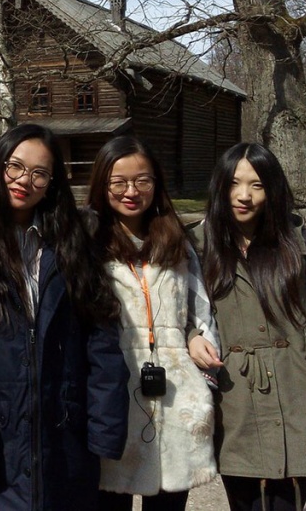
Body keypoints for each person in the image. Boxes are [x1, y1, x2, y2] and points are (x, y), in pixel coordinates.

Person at [0, 123, 129, 511]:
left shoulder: (73, 237)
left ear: (52, 182)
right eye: (15, 166)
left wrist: (104, 429)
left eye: (39, 173)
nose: (23, 181)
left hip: (63, 431)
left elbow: (102, 334)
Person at [192, 142, 306, 511]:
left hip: (300, 400)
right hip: (232, 405)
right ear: (220, 186)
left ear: (273, 190)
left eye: (257, 185)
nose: (244, 196)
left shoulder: (302, 245)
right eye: (234, 183)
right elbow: (174, 312)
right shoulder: (198, 246)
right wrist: (191, 336)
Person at [86, 136, 217, 510]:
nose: (132, 191)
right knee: (110, 499)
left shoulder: (177, 240)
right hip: (114, 391)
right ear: (102, 184)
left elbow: (199, 309)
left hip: (176, 393)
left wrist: (193, 335)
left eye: (143, 180)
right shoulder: (87, 240)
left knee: (170, 502)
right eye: (119, 181)